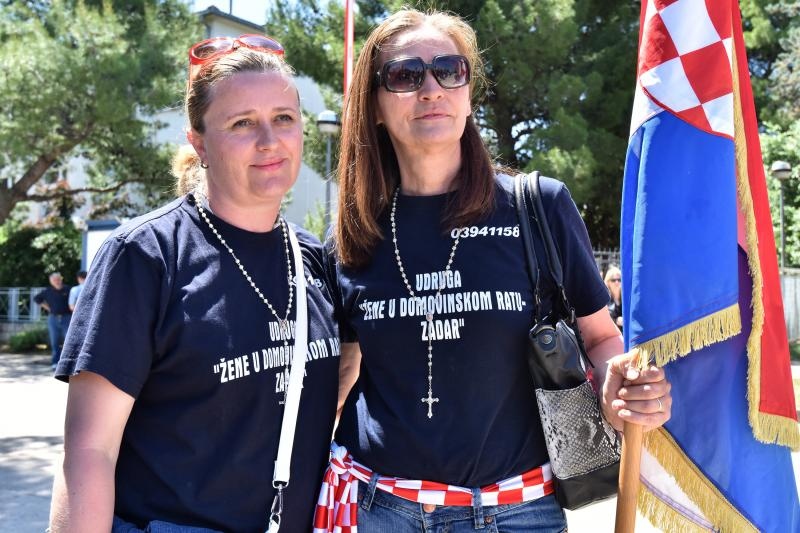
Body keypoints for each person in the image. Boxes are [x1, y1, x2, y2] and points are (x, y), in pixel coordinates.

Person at [315, 9, 672, 532]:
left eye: (449, 70)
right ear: (372, 105)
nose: (431, 88)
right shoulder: (353, 235)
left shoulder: (537, 206)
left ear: (468, 90)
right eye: (405, 76)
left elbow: (599, 338)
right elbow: (342, 373)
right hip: (379, 510)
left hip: (519, 512)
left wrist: (618, 387)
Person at [49, 37, 340, 532]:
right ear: (200, 142)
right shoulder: (144, 255)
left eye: (284, 118)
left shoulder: (313, 257)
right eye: (242, 122)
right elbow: (89, 451)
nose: (269, 140)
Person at [34, 272, 71, 369]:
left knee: (68, 341)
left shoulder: (68, 289)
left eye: (58, 279)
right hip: (53, 318)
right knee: (54, 341)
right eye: (54, 280)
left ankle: (67, 363)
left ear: (61, 279)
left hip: (67, 317)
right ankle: (55, 362)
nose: (56, 281)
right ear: (51, 281)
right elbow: (37, 299)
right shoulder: (48, 291)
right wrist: (47, 307)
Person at [605, 265, 623, 332]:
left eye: (619, 280)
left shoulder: (625, 299)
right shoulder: (605, 299)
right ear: (608, 282)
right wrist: (616, 320)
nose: (617, 282)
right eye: (613, 280)